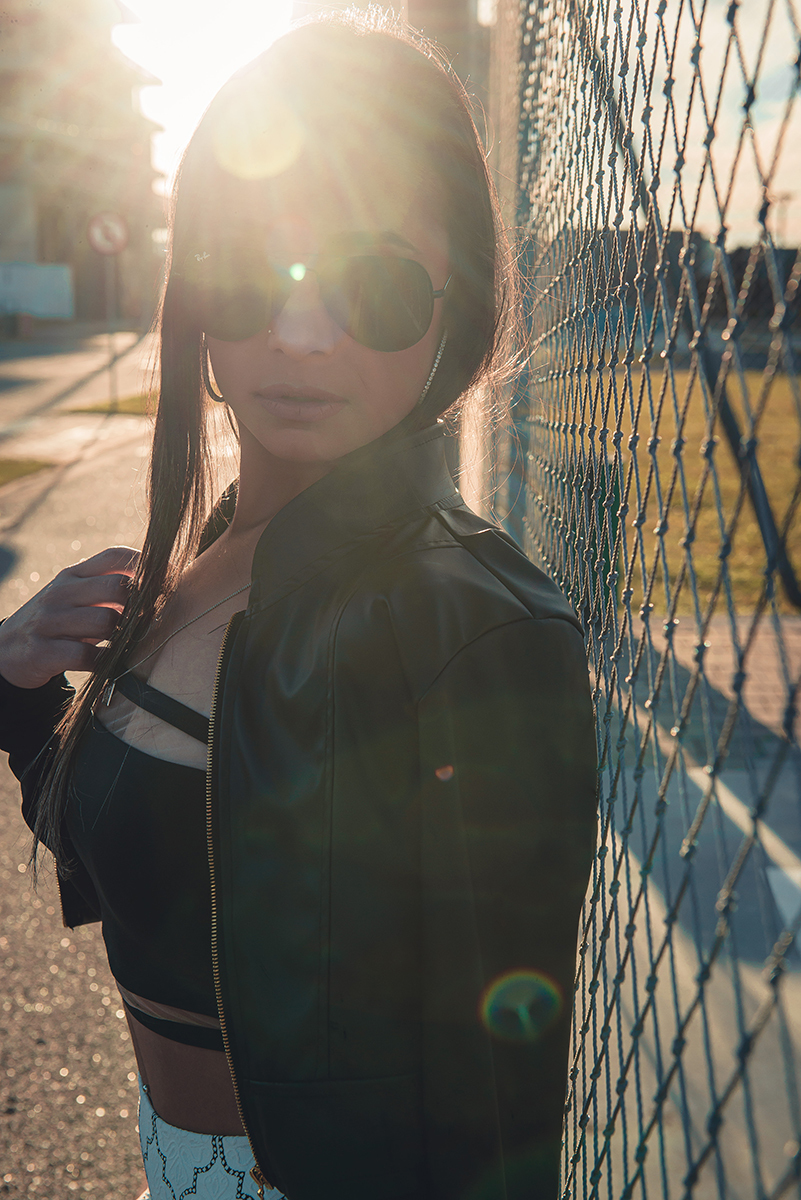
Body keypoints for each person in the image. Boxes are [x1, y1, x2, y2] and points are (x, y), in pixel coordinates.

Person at [0, 12, 597, 1200]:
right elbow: (141, 862)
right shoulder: (207, 552)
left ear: (453, 308)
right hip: (172, 1155)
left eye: (372, 284)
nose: (303, 334)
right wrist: (23, 701)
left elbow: (499, 1105)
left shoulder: (474, 634)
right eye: (252, 272)